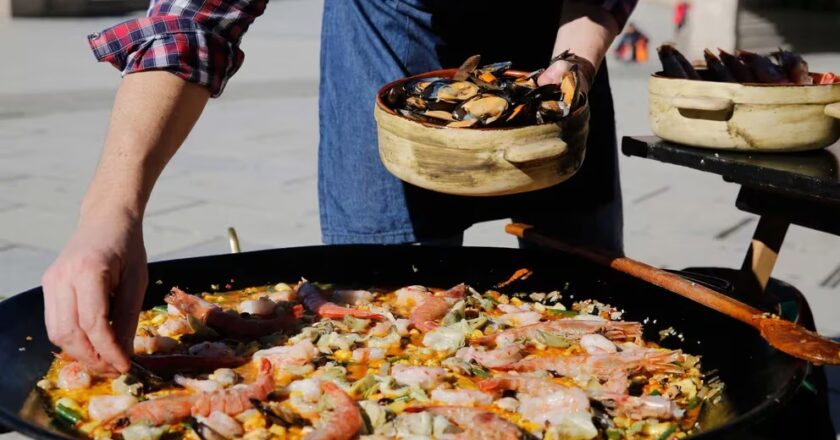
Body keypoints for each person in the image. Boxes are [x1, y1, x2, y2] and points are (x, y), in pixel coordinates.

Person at [42, 0, 637, 374]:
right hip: (388, 25)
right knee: (379, 306)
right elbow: (195, 20)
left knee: (588, 286)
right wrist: (107, 214)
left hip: (560, 40)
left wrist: (572, 66)